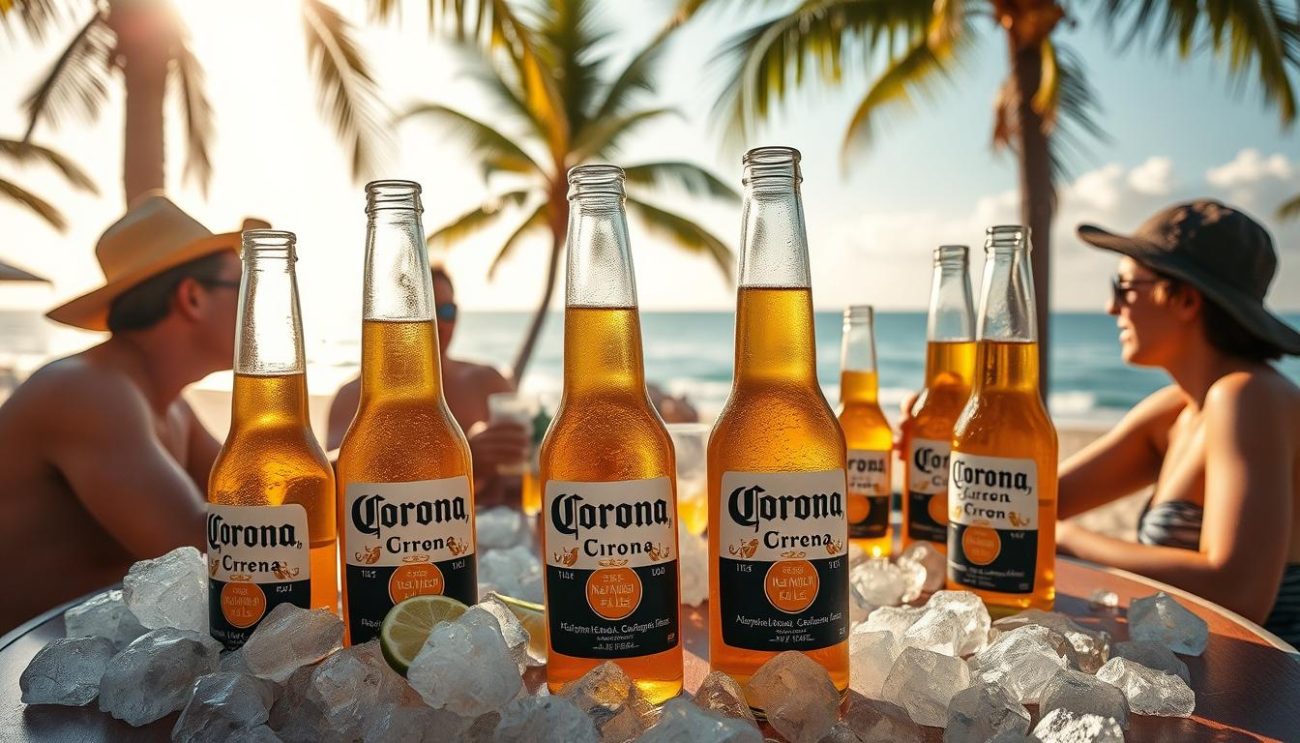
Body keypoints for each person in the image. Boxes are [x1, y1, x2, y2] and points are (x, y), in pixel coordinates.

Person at [0, 194, 265, 633]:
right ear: (192, 297)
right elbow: (206, 549)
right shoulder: (86, 392)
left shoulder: (168, 402)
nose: (258, 303)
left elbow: (258, 493)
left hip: (83, 661)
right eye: (243, 285)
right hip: (18, 675)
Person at [1053, 200, 1300, 644]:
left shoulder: (1249, 395)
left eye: (1125, 287)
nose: (1112, 308)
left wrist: (1070, 540)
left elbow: (1239, 593)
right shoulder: (1177, 410)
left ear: (1186, 299)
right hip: (1216, 683)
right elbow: (1033, 501)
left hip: (1276, 700)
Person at [327, 266, 529, 504]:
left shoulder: (488, 382)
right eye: (426, 311)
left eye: (446, 311)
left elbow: (520, 479)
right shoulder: (356, 396)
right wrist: (461, 458)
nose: (437, 324)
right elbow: (333, 487)